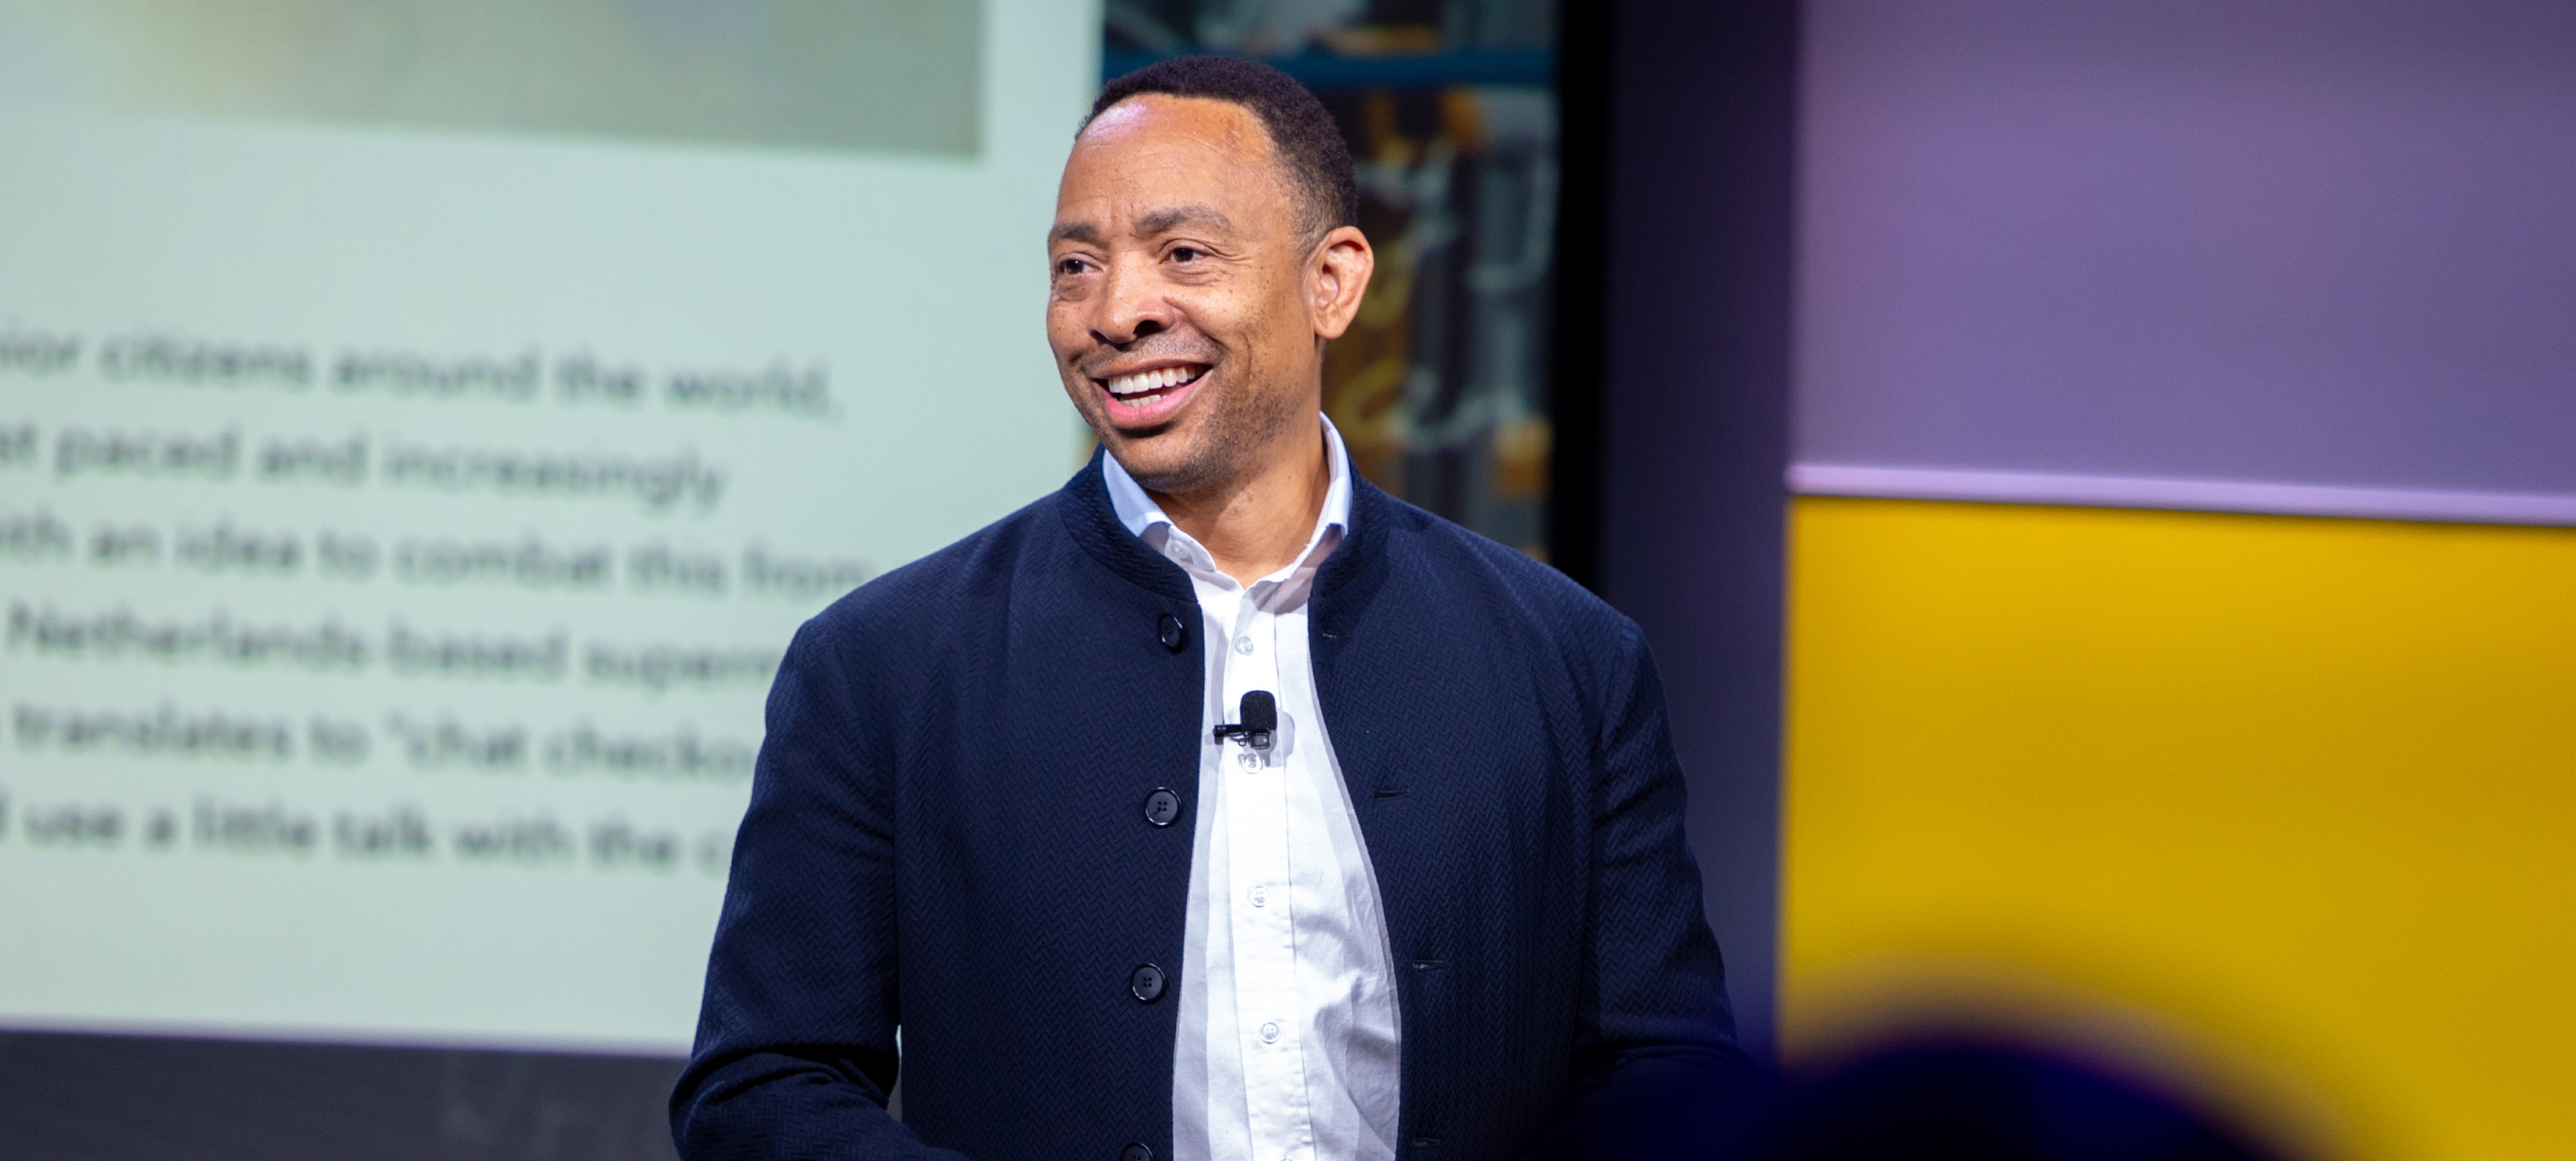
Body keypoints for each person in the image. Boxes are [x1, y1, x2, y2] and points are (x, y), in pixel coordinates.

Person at [670, 56, 1751, 1161]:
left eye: (1183, 254)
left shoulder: (1570, 662)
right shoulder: (881, 668)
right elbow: (763, 1087)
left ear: (1333, 283)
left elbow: (1667, 1070)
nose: (1116, 313)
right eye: (1076, 267)